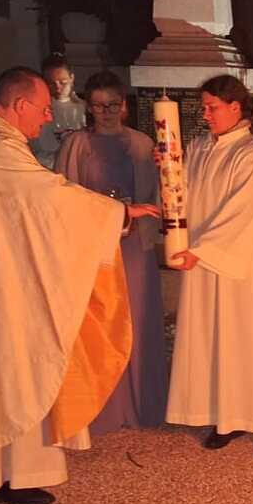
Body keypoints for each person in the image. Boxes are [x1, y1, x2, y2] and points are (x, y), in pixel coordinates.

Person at [0, 66, 157, 504]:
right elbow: (50, 197)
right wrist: (121, 213)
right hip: (3, 288)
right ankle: (16, 474)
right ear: (19, 105)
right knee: (18, 370)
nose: (49, 117)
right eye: (43, 108)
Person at [164, 75, 253, 457]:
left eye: (212, 107)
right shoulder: (200, 147)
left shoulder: (251, 155)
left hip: (236, 263)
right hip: (201, 260)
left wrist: (204, 249)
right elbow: (182, 194)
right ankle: (227, 417)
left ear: (235, 107)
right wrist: (169, 169)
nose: (205, 114)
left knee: (249, 340)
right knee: (213, 339)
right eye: (204, 107)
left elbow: (242, 211)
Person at [56, 71, 169, 427]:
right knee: (100, 322)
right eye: (98, 106)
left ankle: (140, 402)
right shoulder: (76, 145)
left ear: (124, 106)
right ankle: (101, 405)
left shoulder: (142, 144)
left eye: (113, 105)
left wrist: (164, 171)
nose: (105, 112)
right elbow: (64, 197)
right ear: (88, 107)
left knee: (137, 319)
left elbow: (159, 195)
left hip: (135, 245)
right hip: (94, 246)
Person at [32, 52, 85, 170]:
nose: (58, 88)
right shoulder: (38, 111)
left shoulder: (85, 108)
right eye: (52, 83)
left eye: (63, 82)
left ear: (72, 78)